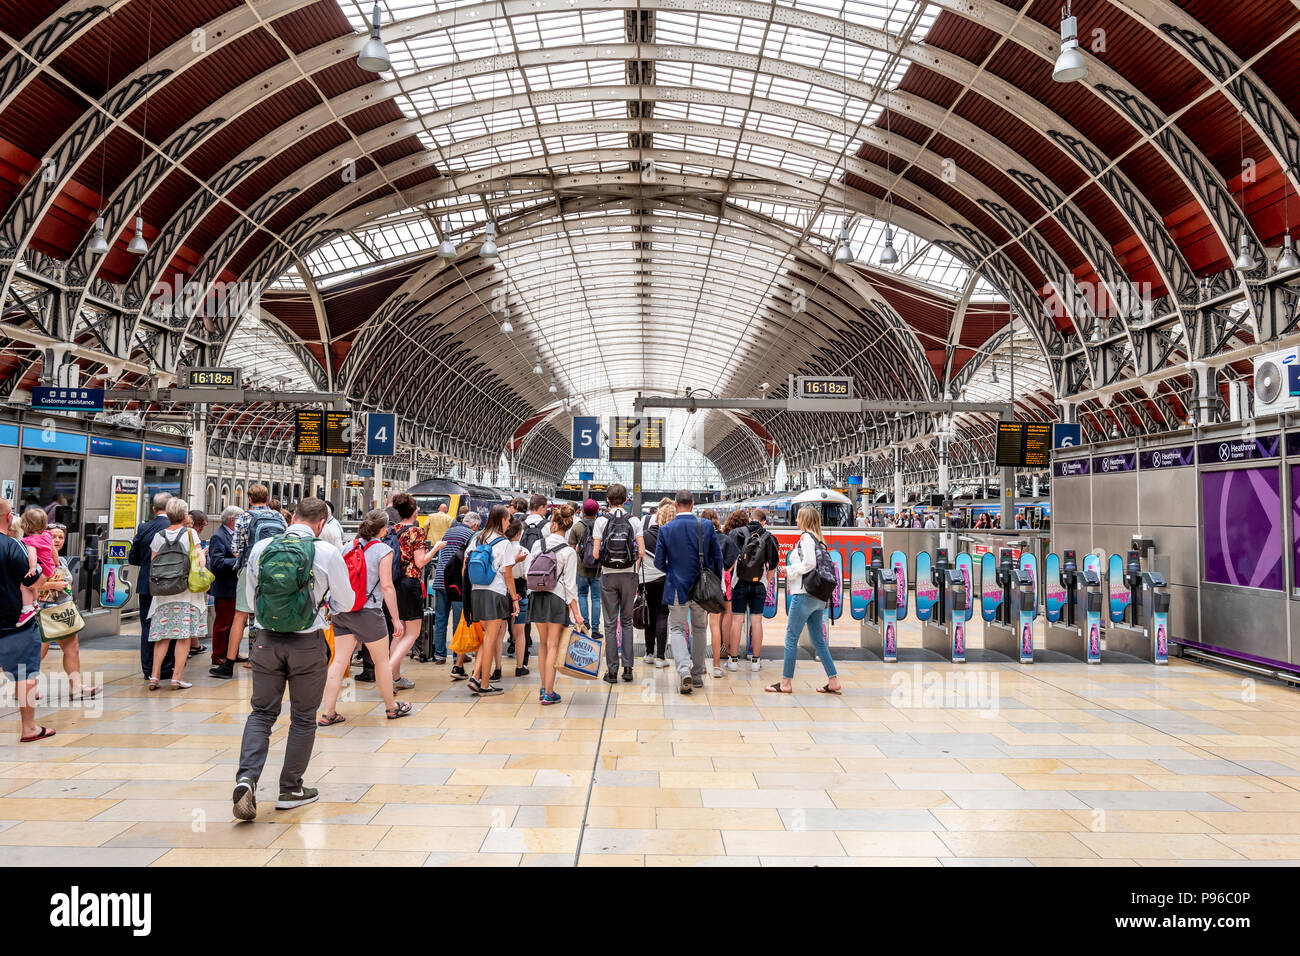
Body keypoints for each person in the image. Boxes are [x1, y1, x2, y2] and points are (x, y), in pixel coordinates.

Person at [233, 497, 353, 820]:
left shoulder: (262, 549)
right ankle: (290, 788)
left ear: (293, 517)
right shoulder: (326, 552)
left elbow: (251, 599)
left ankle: (246, 778)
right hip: (306, 646)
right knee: (302, 717)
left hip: (266, 643)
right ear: (321, 524)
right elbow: (346, 601)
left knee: (260, 714)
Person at [319, 509, 411, 725]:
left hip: (342, 610)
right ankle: (391, 707)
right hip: (368, 611)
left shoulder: (347, 547)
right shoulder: (383, 550)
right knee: (381, 661)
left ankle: (328, 712)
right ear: (382, 529)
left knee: (339, 661)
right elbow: (387, 586)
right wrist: (396, 619)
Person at [766, 506, 841, 696]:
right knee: (818, 640)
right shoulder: (819, 541)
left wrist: (788, 570)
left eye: (799, 518)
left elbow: (809, 564)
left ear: (805, 520)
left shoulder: (806, 538)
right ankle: (833, 680)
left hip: (804, 594)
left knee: (791, 638)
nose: (797, 522)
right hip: (818, 597)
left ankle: (785, 683)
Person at [653, 489, 722, 695]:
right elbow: (717, 558)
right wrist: (715, 582)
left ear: (675, 505)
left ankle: (684, 671)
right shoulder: (706, 526)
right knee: (700, 629)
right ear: (693, 504)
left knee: (676, 629)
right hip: (702, 589)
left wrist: (672, 571)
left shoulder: (666, 529)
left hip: (676, 588)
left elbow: (658, 562)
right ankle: (698, 674)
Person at [146, 497, 207, 691]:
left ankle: (154, 676)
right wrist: (203, 555)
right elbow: (200, 563)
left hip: (163, 593)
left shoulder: (159, 535)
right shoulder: (189, 534)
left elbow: (153, 564)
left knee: (162, 637)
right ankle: (176, 678)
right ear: (183, 515)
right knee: (183, 636)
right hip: (185, 591)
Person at [526, 503, 583, 705]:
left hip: (536, 597)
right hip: (556, 599)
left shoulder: (537, 545)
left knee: (543, 644)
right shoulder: (568, 552)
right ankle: (550, 692)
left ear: (553, 524)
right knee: (553, 645)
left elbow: (527, 573)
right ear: (567, 527)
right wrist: (576, 612)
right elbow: (570, 586)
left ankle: (543, 688)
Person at [0, 504, 49, 740]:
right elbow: (32, 580)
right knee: (25, 675)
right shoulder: (13, 545)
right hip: (14, 623)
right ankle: (29, 727)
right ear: (9, 518)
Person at [227, 485, 287, 671]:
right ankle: (267, 658)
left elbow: (236, 550)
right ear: (268, 498)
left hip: (249, 569)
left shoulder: (244, 517)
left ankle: (228, 663)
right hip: (275, 570)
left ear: (249, 499)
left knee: (240, 615)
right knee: (268, 614)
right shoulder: (278, 517)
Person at [37, 522, 99, 699]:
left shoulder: (61, 559)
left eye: (61, 537)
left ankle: (76, 686)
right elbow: (31, 586)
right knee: (38, 652)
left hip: (63, 610)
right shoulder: (37, 558)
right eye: (53, 536)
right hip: (43, 611)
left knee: (72, 649)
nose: (57, 540)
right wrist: (55, 584)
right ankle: (24, 687)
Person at [467, 505, 524, 695]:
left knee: (487, 637)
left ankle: (475, 677)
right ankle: (484, 685)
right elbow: (508, 574)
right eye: (508, 519)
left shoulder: (478, 538)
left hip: (477, 591)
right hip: (495, 593)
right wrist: (514, 598)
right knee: (491, 639)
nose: (509, 523)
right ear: (501, 519)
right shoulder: (504, 543)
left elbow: (466, 563)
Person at [593, 482, 644, 684]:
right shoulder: (634, 520)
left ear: (607, 500)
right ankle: (628, 669)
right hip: (629, 576)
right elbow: (641, 551)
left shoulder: (601, 521)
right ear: (626, 500)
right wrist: (632, 565)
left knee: (610, 623)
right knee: (627, 622)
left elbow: (596, 553)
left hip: (608, 576)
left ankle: (612, 671)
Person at [386, 492, 432, 691]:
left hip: (393, 583)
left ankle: (395, 678)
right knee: (412, 633)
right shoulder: (416, 532)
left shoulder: (392, 530)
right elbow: (420, 561)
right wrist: (436, 548)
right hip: (410, 583)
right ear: (414, 512)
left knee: (398, 632)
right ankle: (388, 674)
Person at [129, 492, 175, 680]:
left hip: (147, 584)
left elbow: (133, 557)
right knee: (170, 625)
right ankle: (166, 667)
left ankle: (149, 669)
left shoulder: (144, 527)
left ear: (154, 509)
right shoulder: (176, 528)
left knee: (148, 626)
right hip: (171, 584)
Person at [729, 506, 779, 673]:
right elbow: (772, 566)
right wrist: (766, 582)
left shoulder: (737, 533)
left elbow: (729, 561)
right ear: (764, 522)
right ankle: (756, 661)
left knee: (737, 621)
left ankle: (733, 660)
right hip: (759, 584)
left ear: (750, 519)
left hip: (739, 583)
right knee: (757, 622)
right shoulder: (769, 537)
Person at [432, 510, 479, 672]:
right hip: (457, 582)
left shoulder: (448, 532)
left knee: (440, 619)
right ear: (475, 525)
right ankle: (457, 655)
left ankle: (439, 655)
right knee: (460, 621)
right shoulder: (471, 535)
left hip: (440, 579)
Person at [207, 506, 243, 678]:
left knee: (234, 623)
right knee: (223, 624)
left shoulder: (232, 535)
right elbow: (217, 563)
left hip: (234, 586)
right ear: (232, 520)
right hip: (225, 587)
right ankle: (219, 655)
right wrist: (237, 560)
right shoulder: (218, 536)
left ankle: (231, 653)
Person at [702, 508, 737, 679]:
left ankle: (700, 664)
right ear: (716, 520)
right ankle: (716, 665)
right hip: (718, 585)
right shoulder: (726, 539)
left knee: (699, 625)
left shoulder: (698, 539)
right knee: (714, 624)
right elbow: (729, 565)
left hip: (699, 587)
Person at [639, 501, 673, 667]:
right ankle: (661, 657)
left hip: (645, 582)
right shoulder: (670, 535)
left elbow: (638, 560)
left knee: (649, 616)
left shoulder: (644, 535)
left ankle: (648, 653)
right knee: (662, 616)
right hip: (664, 580)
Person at [567, 499, 602, 646]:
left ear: (583, 511)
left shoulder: (577, 526)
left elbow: (571, 547)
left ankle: (585, 624)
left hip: (581, 567)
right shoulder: (602, 524)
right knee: (596, 598)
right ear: (597, 511)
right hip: (598, 568)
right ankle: (595, 629)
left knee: (581, 595)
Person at [18, 507, 56, 627]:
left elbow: (32, 555)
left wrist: (32, 568)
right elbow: (53, 549)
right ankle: (34, 604)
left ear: (26, 524)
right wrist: (56, 561)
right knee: (34, 587)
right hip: (49, 568)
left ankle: (27, 609)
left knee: (25, 586)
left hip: (42, 570)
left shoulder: (30, 541)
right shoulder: (47, 535)